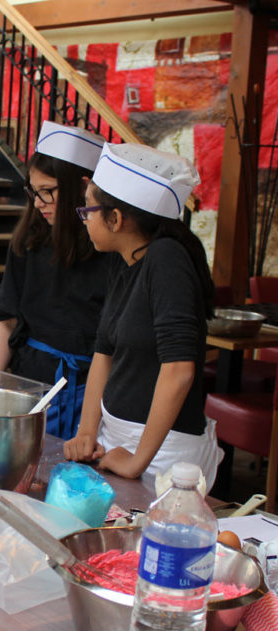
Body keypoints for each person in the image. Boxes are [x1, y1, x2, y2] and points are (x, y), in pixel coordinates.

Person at [63, 142, 223, 490]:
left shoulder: (166, 259)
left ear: (116, 218)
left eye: (88, 209)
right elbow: (104, 353)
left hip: (164, 454)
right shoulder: (126, 262)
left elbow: (179, 371)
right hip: (117, 441)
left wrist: (138, 460)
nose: (85, 218)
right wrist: (87, 431)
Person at [0, 122, 122, 439]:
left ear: (83, 188)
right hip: (30, 381)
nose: (38, 202)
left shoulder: (111, 250)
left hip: (91, 393)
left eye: (48, 192)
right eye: (33, 191)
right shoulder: (29, 240)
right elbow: (6, 320)